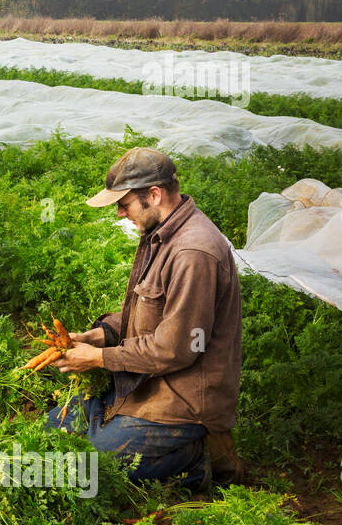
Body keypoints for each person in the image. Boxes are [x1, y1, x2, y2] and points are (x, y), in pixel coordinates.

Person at [52, 147, 243, 490]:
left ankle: (197, 458)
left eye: (123, 204)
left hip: (182, 400)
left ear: (153, 195)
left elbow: (175, 349)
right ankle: (117, 433)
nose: (120, 213)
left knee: (92, 468)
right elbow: (148, 314)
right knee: (56, 428)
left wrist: (98, 359)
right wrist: (100, 335)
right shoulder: (161, 233)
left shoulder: (192, 253)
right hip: (145, 381)